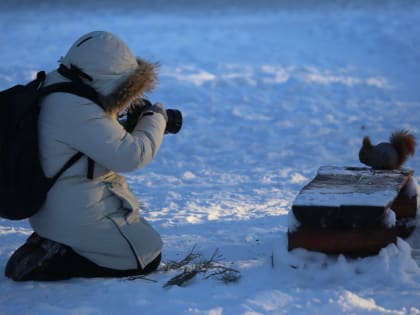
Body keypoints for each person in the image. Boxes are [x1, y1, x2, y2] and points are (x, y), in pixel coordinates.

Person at [5, 31, 167, 281]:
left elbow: (86, 141)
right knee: (145, 255)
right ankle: (62, 259)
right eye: (125, 88)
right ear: (107, 77)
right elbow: (132, 155)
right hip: (76, 211)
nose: (126, 97)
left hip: (53, 210)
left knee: (138, 239)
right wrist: (156, 118)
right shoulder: (76, 108)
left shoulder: (55, 86)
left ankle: (56, 242)